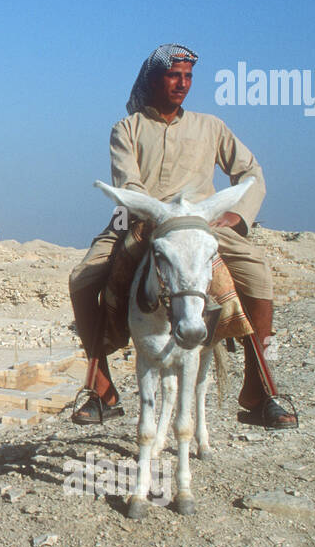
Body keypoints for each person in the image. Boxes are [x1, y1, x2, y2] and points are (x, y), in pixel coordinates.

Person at [68, 43, 298, 428]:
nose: (183, 83)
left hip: (200, 222)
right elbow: (128, 183)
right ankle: (100, 388)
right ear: (154, 79)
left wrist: (237, 216)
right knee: (83, 277)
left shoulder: (211, 126)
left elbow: (250, 172)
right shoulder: (126, 128)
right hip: (143, 217)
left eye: (188, 76)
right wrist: (155, 213)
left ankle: (262, 388)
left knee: (258, 272)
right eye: (174, 75)